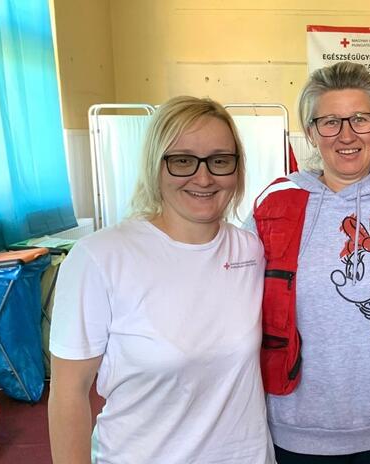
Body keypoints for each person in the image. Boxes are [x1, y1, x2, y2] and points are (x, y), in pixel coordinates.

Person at [48, 96, 274, 463]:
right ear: (156, 166)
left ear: (237, 169)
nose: (203, 177)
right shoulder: (99, 258)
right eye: (182, 161)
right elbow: (69, 393)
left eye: (219, 161)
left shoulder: (249, 249)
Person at [249, 62, 370, 463]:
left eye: (360, 119)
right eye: (329, 121)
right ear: (311, 132)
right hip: (295, 430)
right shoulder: (273, 204)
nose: (346, 135)